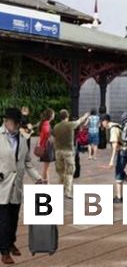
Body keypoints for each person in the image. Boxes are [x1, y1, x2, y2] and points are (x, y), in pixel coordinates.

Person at [1, 107, 44, 264]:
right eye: (15, 122)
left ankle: (10, 243)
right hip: (2, 186)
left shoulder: (22, 138)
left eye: (19, 123)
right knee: (4, 220)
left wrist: (38, 178)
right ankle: (4, 251)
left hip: (16, 187)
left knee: (13, 219)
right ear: (6, 121)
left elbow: (27, 162)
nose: (18, 125)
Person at [52, 109, 90, 199]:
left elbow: (53, 138)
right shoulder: (70, 125)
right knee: (69, 172)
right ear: (67, 117)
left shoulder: (56, 126)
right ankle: (67, 192)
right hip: (68, 152)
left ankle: (59, 190)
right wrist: (85, 116)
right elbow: (79, 121)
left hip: (58, 151)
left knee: (61, 172)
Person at [102, 113, 127, 203]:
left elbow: (115, 146)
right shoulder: (117, 125)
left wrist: (111, 161)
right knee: (121, 173)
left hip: (123, 152)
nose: (101, 124)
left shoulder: (113, 129)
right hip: (125, 151)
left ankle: (119, 197)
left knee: (118, 173)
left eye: (101, 122)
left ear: (105, 121)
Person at [36, 109, 54, 183]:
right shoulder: (46, 123)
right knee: (46, 168)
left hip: (44, 147)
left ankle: (46, 182)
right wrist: (50, 137)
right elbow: (46, 132)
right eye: (53, 114)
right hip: (46, 148)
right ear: (50, 116)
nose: (54, 115)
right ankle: (46, 183)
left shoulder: (44, 122)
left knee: (46, 167)